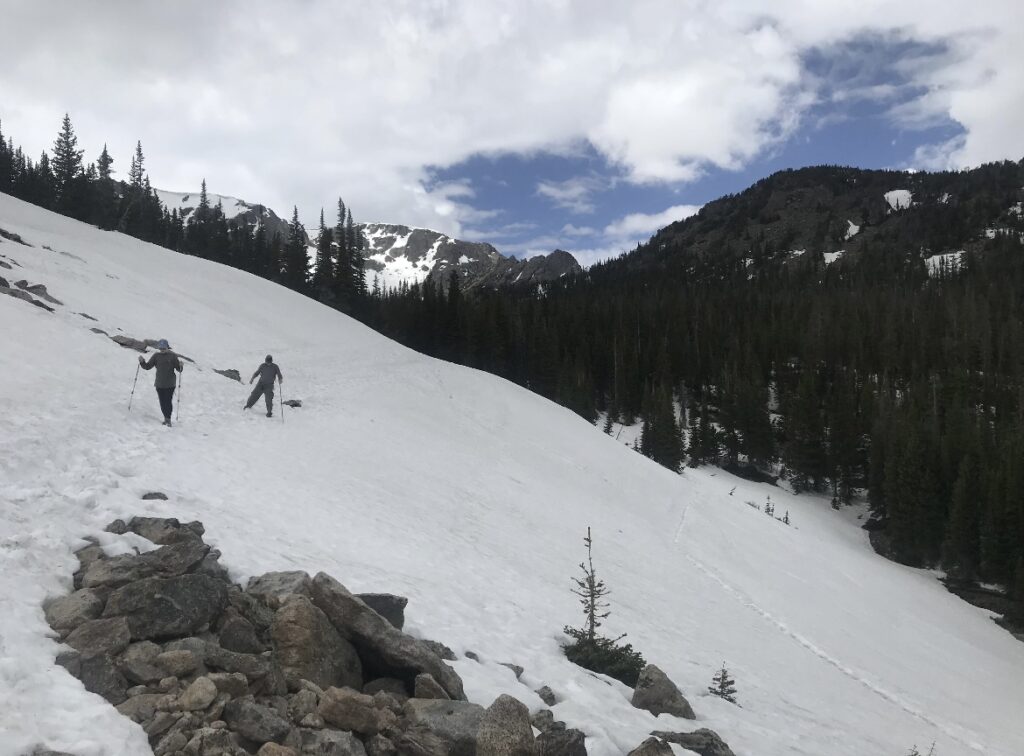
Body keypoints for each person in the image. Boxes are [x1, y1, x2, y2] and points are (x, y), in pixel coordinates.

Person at [139, 339, 183, 426]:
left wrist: (181, 365)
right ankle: (166, 418)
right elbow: (147, 367)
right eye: (161, 348)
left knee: (168, 401)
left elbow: (179, 369)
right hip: (159, 384)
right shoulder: (156, 356)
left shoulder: (173, 356)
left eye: (164, 348)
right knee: (162, 402)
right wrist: (142, 362)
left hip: (170, 384)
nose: (162, 350)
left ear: (167, 347)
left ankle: (168, 419)